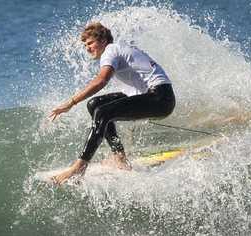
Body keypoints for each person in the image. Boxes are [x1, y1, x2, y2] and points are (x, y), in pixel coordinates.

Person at [49, 22, 175, 185]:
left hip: (160, 98)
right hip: (156, 98)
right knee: (94, 104)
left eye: (90, 43)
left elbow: (101, 80)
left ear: (103, 40)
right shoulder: (118, 50)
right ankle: (120, 157)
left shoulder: (110, 50)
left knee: (102, 112)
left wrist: (71, 103)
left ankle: (79, 167)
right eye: (85, 45)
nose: (87, 48)